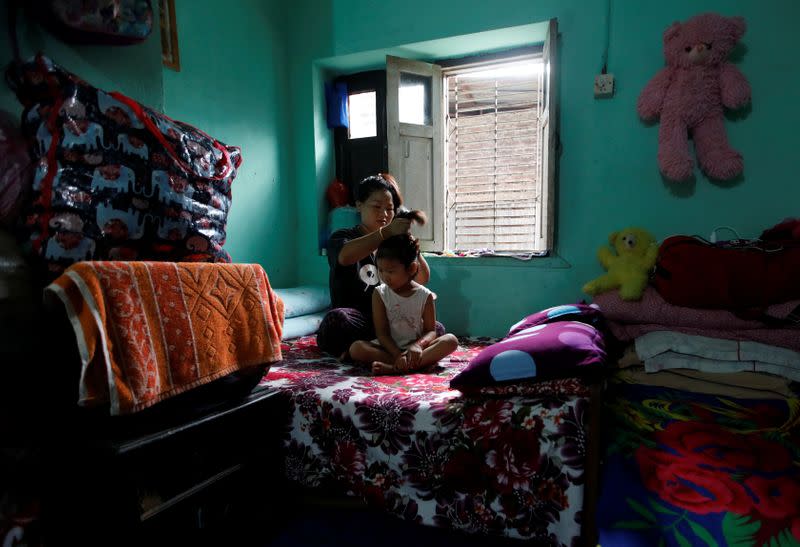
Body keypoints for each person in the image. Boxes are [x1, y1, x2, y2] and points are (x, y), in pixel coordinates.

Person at [316, 173, 441, 357]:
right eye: (376, 207)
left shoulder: (393, 243)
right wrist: (385, 233)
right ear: (359, 205)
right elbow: (344, 257)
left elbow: (421, 278)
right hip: (360, 321)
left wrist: (408, 242)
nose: (384, 214)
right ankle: (399, 356)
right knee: (337, 320)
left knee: (437, 328)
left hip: (391, 323)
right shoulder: (343, 237)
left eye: (389, 209)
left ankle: (381, 355)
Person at [349, 232, 458, 374]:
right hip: (389, 349)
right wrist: (397, 355)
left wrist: (417, 346)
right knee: (356, 349)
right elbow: (382, 334)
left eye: (390, 271)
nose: (384, 276)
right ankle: (407, 365)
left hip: (416, 350)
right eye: (381, 270)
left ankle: (394, 369)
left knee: (451, 341)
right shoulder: (380, 293)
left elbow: (431, 331)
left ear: (411, 268)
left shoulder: (425, 295)